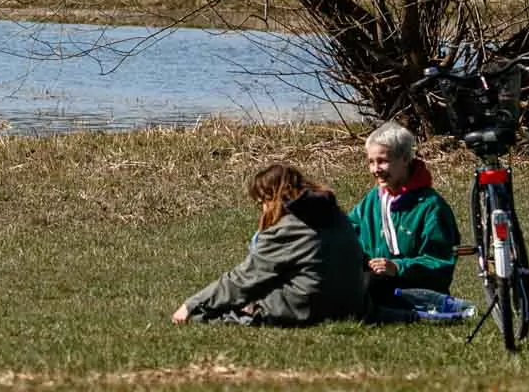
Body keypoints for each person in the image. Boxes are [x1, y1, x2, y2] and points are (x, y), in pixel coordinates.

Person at [173, 163, 369, 327]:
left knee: (203, 316)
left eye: (261, 202)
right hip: (352, 304)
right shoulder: (334, 213)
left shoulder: (288, 228)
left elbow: (244, 280)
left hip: (312, 308)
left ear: (270, 198)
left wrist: (192, 304)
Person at [348, 121, 460, 300]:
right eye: (371, 162)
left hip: (415, 289)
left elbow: (441, 262)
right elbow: (348, 232)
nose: (375, 169)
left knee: (366, 287)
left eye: (383, 161)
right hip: (373, 278)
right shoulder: (372, 200)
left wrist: (397, 267)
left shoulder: (431, 206)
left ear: (406, 159)